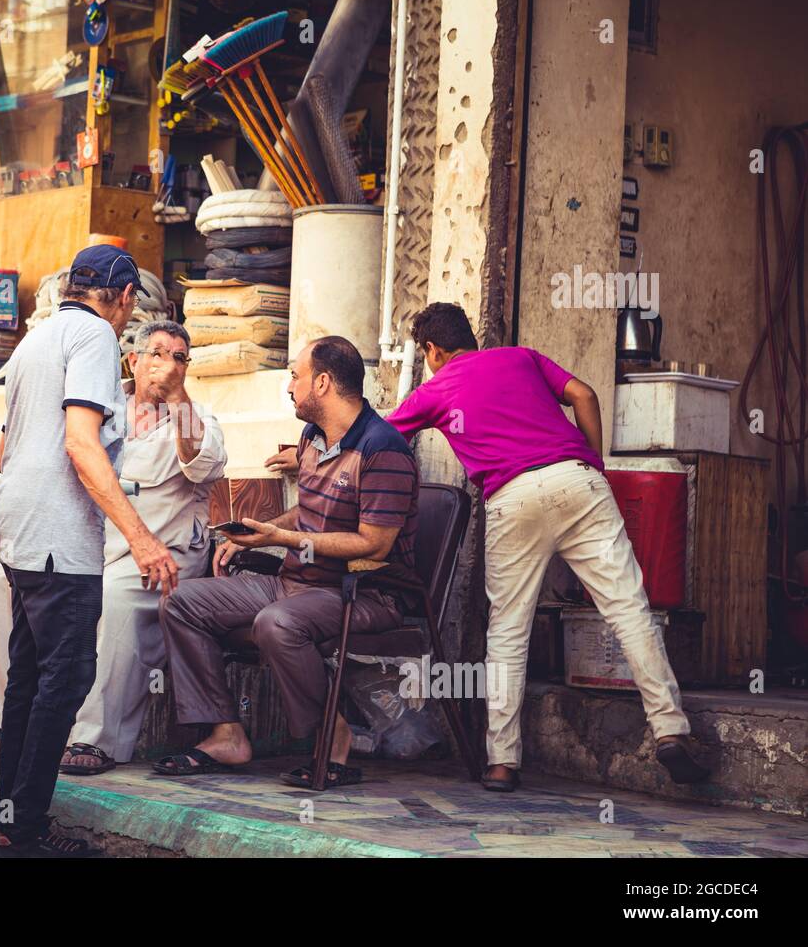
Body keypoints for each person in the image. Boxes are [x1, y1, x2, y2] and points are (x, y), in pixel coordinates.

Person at [386, 301, 708, 791]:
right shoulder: (521, 356)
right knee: (628, 608)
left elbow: (381, 438)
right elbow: (584, 394)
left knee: (507, 632)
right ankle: (669, 729)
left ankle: (502, 762)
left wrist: (315, 451)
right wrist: (592, 463)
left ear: (432, 350)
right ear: (469, 338)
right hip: (576, 480)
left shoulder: (435, 389)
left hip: (511, 497)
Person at [0, 320, 227, 774]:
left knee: (114, 601)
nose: (169, 365)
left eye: (180, 358)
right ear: (134, 360)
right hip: (91, 542)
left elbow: (204, 465)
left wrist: (178, 398)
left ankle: (94, 737)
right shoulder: (100, 405)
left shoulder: (197, 417)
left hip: (160, 553)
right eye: (158, 354)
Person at [155, 336, 419, 788]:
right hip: (295, 582)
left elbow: (374, 545)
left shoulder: (383, 450)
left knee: (277, 623)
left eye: (296, 376)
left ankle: (332, 734)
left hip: (364, 594)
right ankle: (226, 733)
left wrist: (282, 539)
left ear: (323, 383)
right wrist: (258, 533)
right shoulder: (313, 436)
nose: (289, 385)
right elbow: (309, 510)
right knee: (181, 601)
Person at [0, 244, 179, 857]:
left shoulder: (36, 339)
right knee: (66, 677)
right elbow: (80, 443)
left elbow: (5, 453)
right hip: (56, 536)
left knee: (30, 676)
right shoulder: (95, 336)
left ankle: (9, 816)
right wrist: (142, 538)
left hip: (16, 526)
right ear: (124, 298)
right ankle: (23, 825)